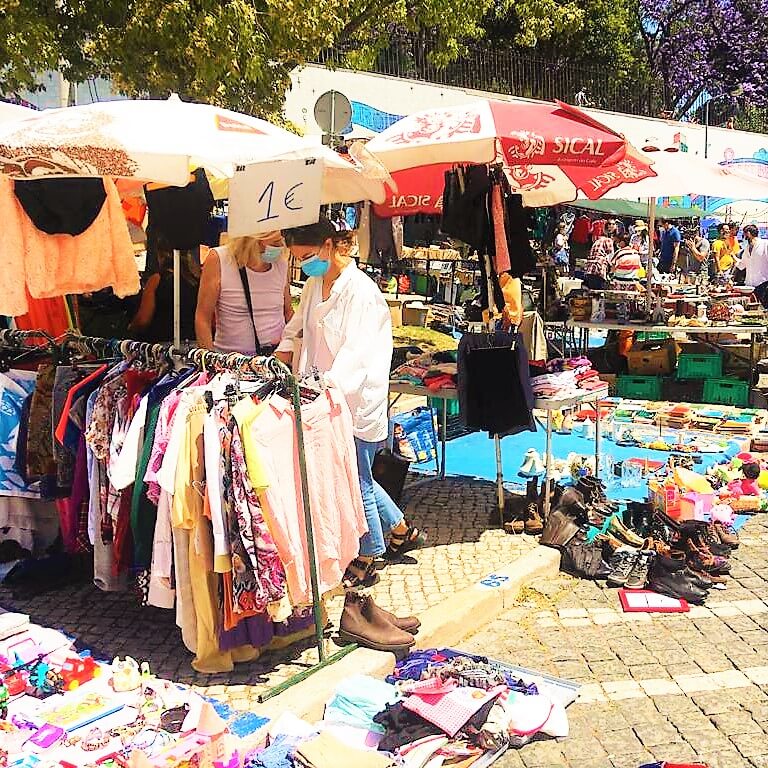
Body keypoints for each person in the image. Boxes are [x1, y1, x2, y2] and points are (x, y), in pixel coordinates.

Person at [277, 218, 425, 589]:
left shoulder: (362, 292)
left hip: (352, 400)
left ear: (330, 245)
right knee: (358, 474)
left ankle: (368, 553)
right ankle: (401, 530)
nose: (307, 264)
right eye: (300, 260)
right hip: (319, 398)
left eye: (310, 255)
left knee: (354, 478)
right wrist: (284, 348)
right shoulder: (314, 284)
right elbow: (297, 326)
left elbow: (356, 355)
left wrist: (323, 391)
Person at [195, 231, 293, 355]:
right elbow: (203, 317)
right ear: (255, 238)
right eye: (275, 242)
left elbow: (288, 311)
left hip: (274, 360)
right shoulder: (219, 259)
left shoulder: (282, 264)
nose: (280, 246)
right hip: (230, 362)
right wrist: (210, 363)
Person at [128, 240, 200, 342]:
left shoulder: (156, 280)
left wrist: (131, 327)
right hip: (192, 344)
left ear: (160, 255)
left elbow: (143, 319)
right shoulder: (196, 282)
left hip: (161, 346)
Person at [736, 224, 768, 305]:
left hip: (763, 283)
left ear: (748, 233)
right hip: (749, 285)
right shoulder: (747, 248)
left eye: (744, 234)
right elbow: (742, 265)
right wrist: (732, 256)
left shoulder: (765, 244)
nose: (744, 237)